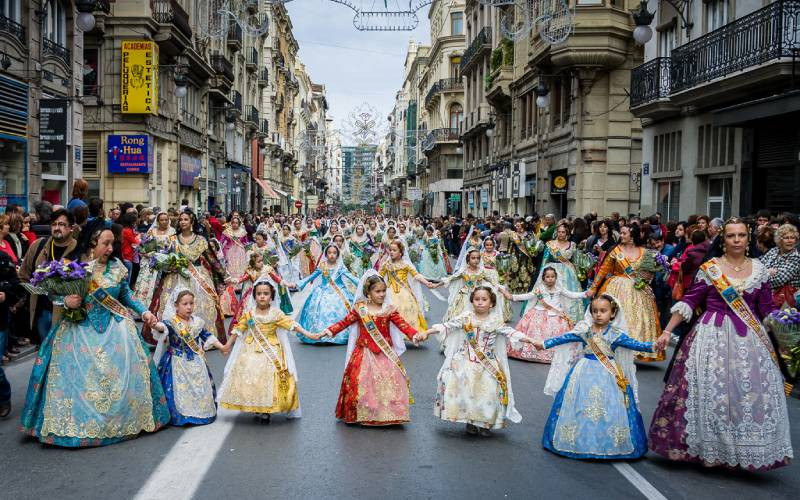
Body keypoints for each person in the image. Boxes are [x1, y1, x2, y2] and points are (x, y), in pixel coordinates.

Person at [649, 217, 793, 471]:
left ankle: (739, 450)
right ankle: (708, 449)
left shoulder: (759, 270)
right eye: (731, 236)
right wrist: (666, 331)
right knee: (710, 393)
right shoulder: (711, 268)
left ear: (748, 239)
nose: (736, 240)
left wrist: (787, 333)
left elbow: (767, 308)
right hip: (710, 336)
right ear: (723, 240)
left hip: (749, 339)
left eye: (741, 235)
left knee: (744, 396)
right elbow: (690, 301)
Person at [20, 228, 170, 447]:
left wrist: (145, 313)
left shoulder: (117, 267)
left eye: (112, 244)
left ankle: (122, 421)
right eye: (105, 243)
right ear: (92, 244)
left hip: (115, 328)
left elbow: (126, 295)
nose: (110, 248)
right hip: (79, 330)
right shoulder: (75, 268)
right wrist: (66, 301)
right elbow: (54, 293)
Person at [537, 294, 654, 459]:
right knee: (579, 404)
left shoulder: (616, 334)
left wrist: (655, 345)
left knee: (610, 406)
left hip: (609, 376)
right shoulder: (584, 331)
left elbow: (637, 345)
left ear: (612, 313)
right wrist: (543, 344)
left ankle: (607, 444)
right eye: (595, 311)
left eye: (603, 311)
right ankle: (578, 441)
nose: (598, 314)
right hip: (583, 373)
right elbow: (565, 337)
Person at [416, 286, 534, 436]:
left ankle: (485, 423)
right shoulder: (466, 318)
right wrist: (426, 332)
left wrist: (531, 340)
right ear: (472, 301)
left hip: (488, 364)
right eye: (477, 299)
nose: (480, 302)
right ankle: (470, 421)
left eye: (484, 299)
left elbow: (512, 333)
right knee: (466, 391)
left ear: (491, 303)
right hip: (465, 360)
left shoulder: (496, 321)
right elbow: (447, 326)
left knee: (489, 393)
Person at [312, 272, 420, 425]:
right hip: (364, 352)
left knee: (387, 384)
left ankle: (387, 415)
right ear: (368, 293)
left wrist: (415, 335)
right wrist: (328, 331)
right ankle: (365, 413)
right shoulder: (360, 308)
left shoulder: (389, 309)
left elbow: (403, 325)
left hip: (384, 353)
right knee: (362, 384)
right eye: (378, 291)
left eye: (384, 291)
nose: (382, 294)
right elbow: (344, 322)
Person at [218, 280, 312, 422]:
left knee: (270, 376)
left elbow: (291, 324)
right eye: (259, 294)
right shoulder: (249, 314)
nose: (262, 296)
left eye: (266, 294)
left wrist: (310, 334)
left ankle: (267, 409)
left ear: (272, 296)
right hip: (250, 348)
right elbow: (239, 330)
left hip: (271, 349)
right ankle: (256, 405)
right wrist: (227, 345)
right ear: (254, 296)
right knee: (249, 374)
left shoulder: (276, 314)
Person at [143, 211, 229, 344]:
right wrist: (166, 264)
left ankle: (201, 336)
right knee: (171, 305)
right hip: (175, 276)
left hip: (198, 276)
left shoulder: (201, 240)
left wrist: (223, 274)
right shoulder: (172, 239)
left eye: (186, 219)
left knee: (201, 305)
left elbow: (212, 259)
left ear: (192, 222)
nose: (183, 222)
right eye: (181, 219)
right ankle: (174, 335)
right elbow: (165, 256)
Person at [587, 224, 664, 362]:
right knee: (615, 316)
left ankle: (635, 351)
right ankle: (609, 346)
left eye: (624, 233)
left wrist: (647, 278)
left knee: (636, 318)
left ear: (632, 236)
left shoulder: (645, 252)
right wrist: (593, 288)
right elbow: (603, 270)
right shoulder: (616, 250)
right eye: (621, 233)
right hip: (616, 287)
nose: (621, 235)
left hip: (638, 290)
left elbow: (649, 273)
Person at [152, 288, 225, 426]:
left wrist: (222, 347)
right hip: (177, 362)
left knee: (199, 389)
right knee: (178, 391)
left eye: (191, 303)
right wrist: (156, 325)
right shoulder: (171, 322)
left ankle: (201, 412)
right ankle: (182, 415)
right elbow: (163, 328)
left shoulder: (197, 322)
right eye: (185, 304)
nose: (189, 307)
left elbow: (207, 336)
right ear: (176, 306)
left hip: (196, 362)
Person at [18, 209, 79, 345]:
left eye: (62, 224)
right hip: (43, 312)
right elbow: (23, 276)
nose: (57, 228)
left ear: (71, 228)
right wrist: (35, 290)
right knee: (46, 354)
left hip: (70, 314)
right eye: (54, 224)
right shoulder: (38, 246)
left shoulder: (79, 250)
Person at [504, 266, 587, 362]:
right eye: (548, 276)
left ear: (556, 277)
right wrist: (512, 297)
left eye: (552, 276)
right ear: (543, 278)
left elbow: (571, 294)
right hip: (539, 313)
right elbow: (528, 296)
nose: (550, 279)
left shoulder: (559, 288)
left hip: (556, 315)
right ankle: (532, 352)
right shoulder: (539, 289)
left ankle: (555, 354)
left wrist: (585, 294)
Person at [293, 244, 359, 345]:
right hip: (322, 292)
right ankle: (318, 334)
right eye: (329, 253)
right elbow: (312, 277)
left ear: (337, 255)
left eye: (334, 253)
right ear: (326, 254)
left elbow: (350, 277)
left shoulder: (340, 266)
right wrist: (299, 283)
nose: (332, 255)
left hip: (339, 292)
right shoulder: (322, 266)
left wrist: (363, 283)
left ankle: (339, 334)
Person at [377, 240, 439, 333]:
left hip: (404, 293)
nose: (391, 252)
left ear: (401, 252)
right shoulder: (386, 264)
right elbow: (379, 276)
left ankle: (409, 333)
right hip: (389, 293)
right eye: (390, 250)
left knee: (407, 312)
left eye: (394, 250)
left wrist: (427, 283)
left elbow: (416, 275)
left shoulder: (405, 264)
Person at [533, 223, 588, 324]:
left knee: (567, 294)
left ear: (567, 233)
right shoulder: (550, 244)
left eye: (563, 232)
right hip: (551, 270)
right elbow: (545, 259)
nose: (561, 234)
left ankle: (568, 317)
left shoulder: (572, 245)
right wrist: (541, 273)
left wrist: (580, 272)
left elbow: (575, 261)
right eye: (559, 232)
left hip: (568, 273)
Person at [759, 223, 800, 308]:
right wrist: (768, 272)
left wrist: (763, 274)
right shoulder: (774, 251)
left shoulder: (795, 257)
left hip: (785, 302)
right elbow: (757, 267)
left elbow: (777, 280)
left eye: (792, 238)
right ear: (779, 240)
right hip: (766, 298)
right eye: (786, 238)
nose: (790, 241)